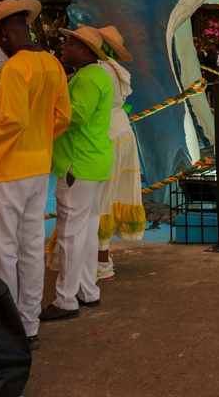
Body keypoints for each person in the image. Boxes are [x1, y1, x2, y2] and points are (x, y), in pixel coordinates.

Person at [0, 0, 70, 350]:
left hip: (7, 170)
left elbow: (13, 121)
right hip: (39, 170)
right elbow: (61, 117)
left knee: (0, 252)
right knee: (29, 247)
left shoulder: (13, 69)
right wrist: (36, 139)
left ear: (7, 34)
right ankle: (28, 326)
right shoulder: (52, 64)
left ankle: (4, 331)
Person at [40, 26, 114, 322]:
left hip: (78, 163)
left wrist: (40, 118)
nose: (64, 45)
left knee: (71, 233)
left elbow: (75, 115)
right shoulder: (94, 75)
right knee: (85, 231)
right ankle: (87, 289)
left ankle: (66, 299)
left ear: (85, 50)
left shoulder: (87, 78)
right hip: (91, 161)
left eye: (70, 42)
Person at [94, 25, 145, 282]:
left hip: (107, 135)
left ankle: (100, 263)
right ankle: (102, 259)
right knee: (109, 196)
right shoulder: (115, 69)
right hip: (122, 130)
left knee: (100, 199)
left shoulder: (98, 71)